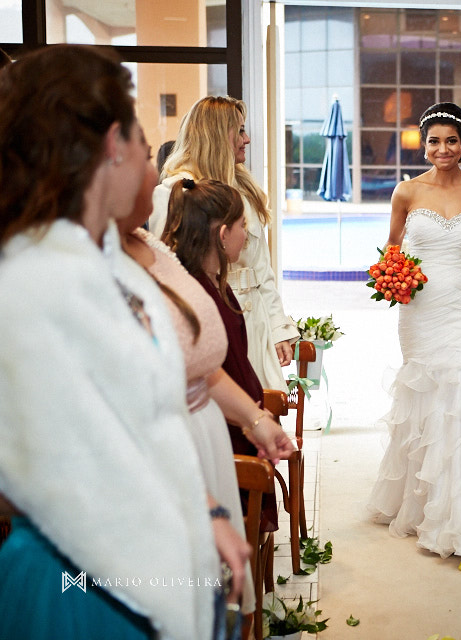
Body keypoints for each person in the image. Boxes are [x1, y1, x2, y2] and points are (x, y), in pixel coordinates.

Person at [0, 45, 243, 640]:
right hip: (83, 574)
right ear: (114, 144)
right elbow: (56, 475)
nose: (152, 158)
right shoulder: (35, 280)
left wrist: (202, 512)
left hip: (139, 553)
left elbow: (142, 425)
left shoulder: (104, 260)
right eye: (141, 135)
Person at [120, 150, 297, 617]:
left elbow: (202, 366)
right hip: (168, 441)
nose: (155, 171)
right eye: (141, 156)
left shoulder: (151, 247)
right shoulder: (103, 265)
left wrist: (256, 418)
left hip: (209, 430)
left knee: (208, 597)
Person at [365, 102, 461, 560]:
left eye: (451, 141)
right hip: (421, 307)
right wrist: (390, 279)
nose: (442, 149)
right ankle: (423, 501)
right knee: (425, 392)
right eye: (434, 141)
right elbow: (391, 252)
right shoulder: (405, 193)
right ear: (424, 145)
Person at [152, 96, 299, 391]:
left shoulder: (244, 187)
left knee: (262, 410)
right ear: (217, 134)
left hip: (254, 320)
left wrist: (277, 326)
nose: (247, 139)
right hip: (212, 317)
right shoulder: (177, 190)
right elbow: (167, 269)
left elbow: (262, 269)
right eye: (240, 130)